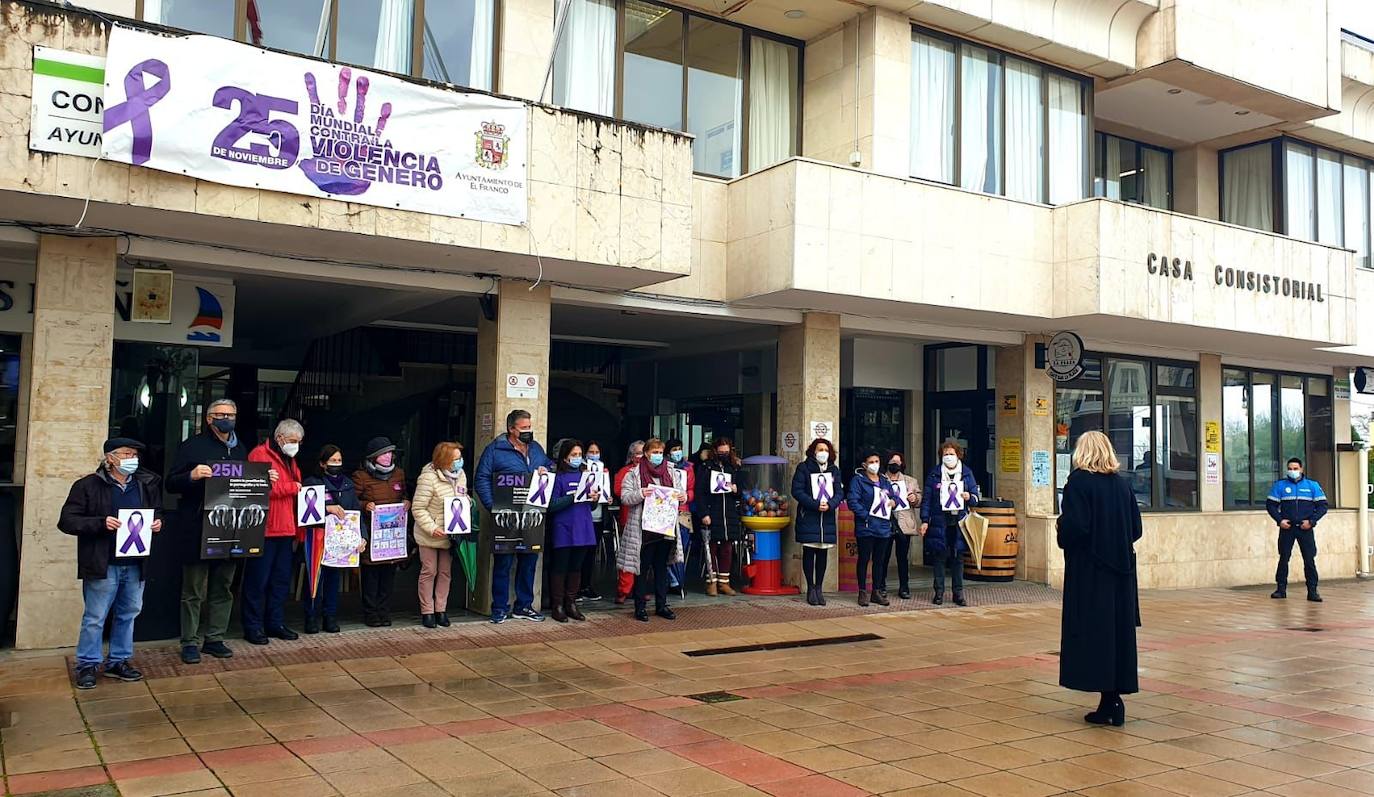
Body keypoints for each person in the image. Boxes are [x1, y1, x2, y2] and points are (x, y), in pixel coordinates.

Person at [59, 437, 163, 689]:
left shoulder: (144, 484)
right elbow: (67, 520)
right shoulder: (87, 485)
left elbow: (155, 511)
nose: (132, 459)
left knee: (128, 614)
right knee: (95, 616)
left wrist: (158, 523)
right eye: (126, 454)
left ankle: (119, 660)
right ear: (110, 458)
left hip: (135, 561)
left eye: (134, 455)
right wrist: (99, 523)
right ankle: (87, 664)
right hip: (103, 562)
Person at [1056, 430, 1143, 727]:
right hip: (1121, 573)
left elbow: (1075, 528)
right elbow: (1136, 528)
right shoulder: (1122, 485)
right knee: (1117, 636)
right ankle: (1112, 699)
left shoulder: (1078, 482)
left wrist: (1061, 528)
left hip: (1090, 573)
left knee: (1094, 634)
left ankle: (1108, 701)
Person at [166, 398, 249, 665]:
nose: (227, 418)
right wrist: (192, 476)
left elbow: (247, 485)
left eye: (232, 414)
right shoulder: (192, 446)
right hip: (198, 527)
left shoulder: (240, 449)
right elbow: (171, 483)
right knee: (193, 589)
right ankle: (189, 641)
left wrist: (264, 479)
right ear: (209, 418)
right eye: (221, 414)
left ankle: (215, 638)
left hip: (230, 527)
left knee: (223, 587)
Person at [475, 409, 554, 624]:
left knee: (529, 561)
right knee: (503, 563)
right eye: (524, 428)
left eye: (530, 427)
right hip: (506, 516)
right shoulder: (495, 450)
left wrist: (547, 470)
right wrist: (494, 507)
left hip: (531, 515)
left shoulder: (536, 448)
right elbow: (481, 478)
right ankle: (499, 608)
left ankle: (524, 606)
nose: (529, 431)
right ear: (511, 429)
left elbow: (549, 466)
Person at [242, 419, 303, 645]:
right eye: (293, 441)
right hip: (265, 528)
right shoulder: (259, 455)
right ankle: (253, 626)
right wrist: (292, 488)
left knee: (280, 580)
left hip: (286, 527)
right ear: (280, 438)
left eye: (298, 442)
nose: (296, 445)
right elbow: (259, 488)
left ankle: (275, 622)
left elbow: (297, 485)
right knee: (257, 581)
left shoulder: (290, 459)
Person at [618, 438, 686, 622]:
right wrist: (641, 493)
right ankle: (640, 607)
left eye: (660, 452)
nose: (658, 456)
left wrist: (682, 496)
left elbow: (682, 493)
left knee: (661, 567)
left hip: (665, 527)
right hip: (643, 530)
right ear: (646, 453)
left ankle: (662, 605)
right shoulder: (633, 474)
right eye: (654, 452)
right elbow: (625, 497)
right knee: (642, 567)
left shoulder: (672, 471)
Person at [300, 444, 364, 634]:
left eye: (339, 460)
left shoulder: (347, 484)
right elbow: (304, 510)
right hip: (317, 537)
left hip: (339, 542)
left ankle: (330, 616)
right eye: (332, 461)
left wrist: (362, 538)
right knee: (314, 580)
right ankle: (311, 617)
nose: (336, 464)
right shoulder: (312, 482)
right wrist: (327, 508)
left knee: (333, 580)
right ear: (322, 463)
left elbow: (356, 513)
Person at [354, 436, 409, 627]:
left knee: (388, 576)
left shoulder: (399, 474)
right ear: (373, 457)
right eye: (383, 454)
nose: (388, 457)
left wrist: (406, 502)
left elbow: (404, 494)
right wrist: (364, 505)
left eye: (390, 453)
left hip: (392, 536)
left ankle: (384, 612)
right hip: (371, 534)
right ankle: (370, 613)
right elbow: (352, 502)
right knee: (371, 576)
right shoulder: (361, 476)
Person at [412, 441, 466, 628]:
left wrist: (467, 504)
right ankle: (427, 611)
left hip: (450, 534)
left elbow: (462, 496)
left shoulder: (460, 476)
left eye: (460, 458)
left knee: (445, 572)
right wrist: (431, 527)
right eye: (456, 458)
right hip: (430, 534)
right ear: (445, 460)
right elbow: (418, 508)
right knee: (429, 571)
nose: (460, 462)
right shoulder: (428, 477)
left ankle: (441, 610)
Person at [920, 441, 980, 606]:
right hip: (939, 520)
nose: (948, 457)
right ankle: (938, 592)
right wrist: (925, 520)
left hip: (959, 521)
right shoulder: (934, 474)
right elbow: (927, 499)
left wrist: (969, 497)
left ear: (958, 455)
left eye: (951, 454)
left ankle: (958, 593)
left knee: (958, 557)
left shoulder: (967, 473)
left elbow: (975, 498)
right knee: (939, 557)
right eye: (945, 454)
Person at [546, 439, 599, 622]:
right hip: (564, 527)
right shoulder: (557, 478)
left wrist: (594, 498)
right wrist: (572, 497)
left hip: (583, 526)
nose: (577, 458)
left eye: (579, 455)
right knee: (560, 567)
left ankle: (571, 603)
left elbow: (591, 507)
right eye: (573, 455)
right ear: (565, 457)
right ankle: (557, 605)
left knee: (576, 567)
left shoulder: (587, 476)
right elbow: (551, 505)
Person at [1266, 457, 1328, 602]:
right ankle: (1281, 589)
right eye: (1290, 468)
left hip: (1305, 528)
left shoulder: (1312, 485)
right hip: (1287, 528)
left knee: (1309, 560)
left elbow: (1322, 506)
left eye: (1295, 468)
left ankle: (1312, 591)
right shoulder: (1280, 486)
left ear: (1301, 469)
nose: (1292, 471)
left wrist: (1312, 522)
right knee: (1284, 558)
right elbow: (1271, 505)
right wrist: (1279, 520)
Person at [791, 437, 841, 606]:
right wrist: (814, 504)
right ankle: (810, 587)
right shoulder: (803, 468)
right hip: (809, 516)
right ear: (813, 451)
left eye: (826, 450)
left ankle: (819, 587)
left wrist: (831, 504)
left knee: (823, 553)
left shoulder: (834, 470)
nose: (823, 453)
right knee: (809, 551)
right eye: (820, 450)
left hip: (826, 518)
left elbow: (839, 493)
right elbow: (797, 491)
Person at [694, 438, 744, 596]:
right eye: (721, 452)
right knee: (712, 548)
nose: (723, 454)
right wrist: (703, 513)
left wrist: (736, 489)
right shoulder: (706, 467)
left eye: (726, 452)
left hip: (729, 512)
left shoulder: (733, 468)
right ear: (715, 451)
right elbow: (699, 492)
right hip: (712, 510)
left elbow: (742, 491)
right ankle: (711, 581)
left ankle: (724, 582)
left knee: (727, 548)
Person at [847, 450, 896, 607]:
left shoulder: (884, 480)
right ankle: (862, 591)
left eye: (877, 461)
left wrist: (893, 502)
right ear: (864, 465)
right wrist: (866, 516)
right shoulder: (858, 480)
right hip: (866, 526)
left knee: (879, 561)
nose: (875, 464)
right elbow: (852, 501)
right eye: (872, 461)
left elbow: (893, 496)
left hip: (883, 526)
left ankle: (876, 591)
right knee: (864, 559)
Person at [884, 451, 922, 600]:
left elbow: (919, 500)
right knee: (883, 557)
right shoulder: (881, 480)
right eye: (892, 461)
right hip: (885, 522)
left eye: (898, 462)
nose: (895, 464)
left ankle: (904, 587)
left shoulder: (910, 481)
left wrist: (914, 498)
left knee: (902, 557)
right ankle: (881, 586)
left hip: (904, 523)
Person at [612, 440, 644, 604]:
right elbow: (619, 491)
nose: (640, 456)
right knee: (628, 557)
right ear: (631, 456)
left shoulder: (652, 471)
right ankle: (624, 590)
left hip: (648, 521)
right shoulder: (625, 472)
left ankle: (641, 588)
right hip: (629, 518)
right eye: (638, 453)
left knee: (644, 557)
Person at [576, 440, 606, 602]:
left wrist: (607, 497)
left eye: (597, 452)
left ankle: (586, 586)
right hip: (584, 517)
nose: (594, 455)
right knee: (580, 554)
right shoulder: (580, 469)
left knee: (591, 554)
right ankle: (576, 588)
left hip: (599, 517)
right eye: (591, 452)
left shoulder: (604, 470)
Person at [666, 438, 696, 592]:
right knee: (666, 548)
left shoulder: (689, 468)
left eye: (679, 448)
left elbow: (692, 489)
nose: (677, 452)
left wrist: (687, 496)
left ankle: (679, 582)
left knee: (681, 549)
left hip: (683, 512)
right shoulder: (663, 467)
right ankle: (670, 581)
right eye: (674, 449)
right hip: (666, 511)